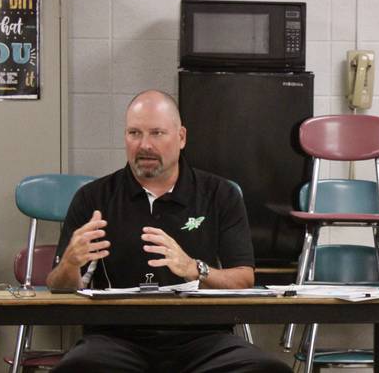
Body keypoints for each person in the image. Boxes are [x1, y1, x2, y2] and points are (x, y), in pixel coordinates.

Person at [47, 90, 291, 373]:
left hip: (206, 340)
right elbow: (57, 285)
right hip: (114, 340)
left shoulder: (220, 194)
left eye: (157, 133)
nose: (144, 145)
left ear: (181, 137)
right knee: (74, 369)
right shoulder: (92, 198)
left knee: (269, 370)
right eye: (134, 133)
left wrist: (194, 268)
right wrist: (70, 262)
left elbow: (244, 279)